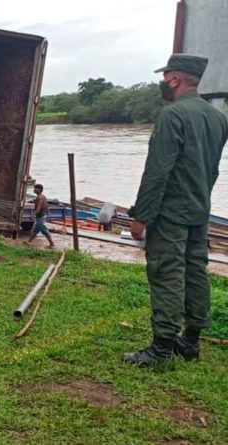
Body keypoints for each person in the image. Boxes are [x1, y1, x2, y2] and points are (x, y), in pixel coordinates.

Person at [123, 54, 228, 367]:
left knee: (166, 274)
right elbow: (211, 170)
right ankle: (190, 341)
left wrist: (141, 216)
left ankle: (161, 348)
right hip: (199, 210)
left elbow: (157, 172)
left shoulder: (172, 115)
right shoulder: (218, 118)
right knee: (196, 272)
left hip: (170, 213)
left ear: (174, 79)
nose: (163, 83)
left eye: (165, 77)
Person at [26, 184, 54, 248]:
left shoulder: (39, 197)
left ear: (38, 189)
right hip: (41, 216)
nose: (34, 189)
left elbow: (39, 207)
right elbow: (45, 206)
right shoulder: (42, 196)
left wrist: (34, 214)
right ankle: (29, 241)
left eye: (35, 188)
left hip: (40, 217)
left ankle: (52, 244)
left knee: (44, 230)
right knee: (35, 230)